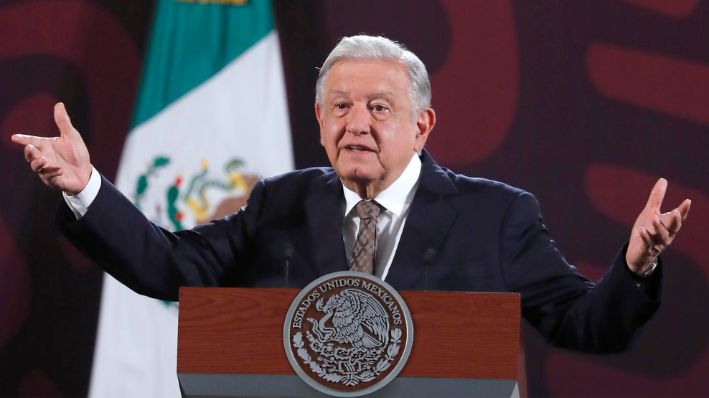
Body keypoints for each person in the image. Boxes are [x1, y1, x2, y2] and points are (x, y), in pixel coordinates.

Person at [12, 35, 690, 353]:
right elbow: (166, 265)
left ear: (422, 125)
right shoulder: (279, 203)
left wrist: (634, 267)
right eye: (338, 106)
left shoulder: (496, 215)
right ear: (317, 121)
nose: (354, 123)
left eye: (377, 107)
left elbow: (585, 324)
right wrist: (88, 190)